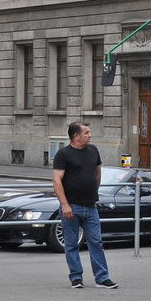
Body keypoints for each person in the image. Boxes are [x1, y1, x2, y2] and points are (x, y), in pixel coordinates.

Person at [52, 122, 116, 289]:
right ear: (76, 136)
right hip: (71, 207)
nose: (90, 135)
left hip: (91, 206)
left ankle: (102, 278)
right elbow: (56, 180)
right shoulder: (63, 154)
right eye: (86, 133)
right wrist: (65, 205)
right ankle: (76, 277)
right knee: (72, 243)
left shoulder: (93, 150)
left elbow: (98, 172)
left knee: (96, 242)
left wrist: (93, 190)